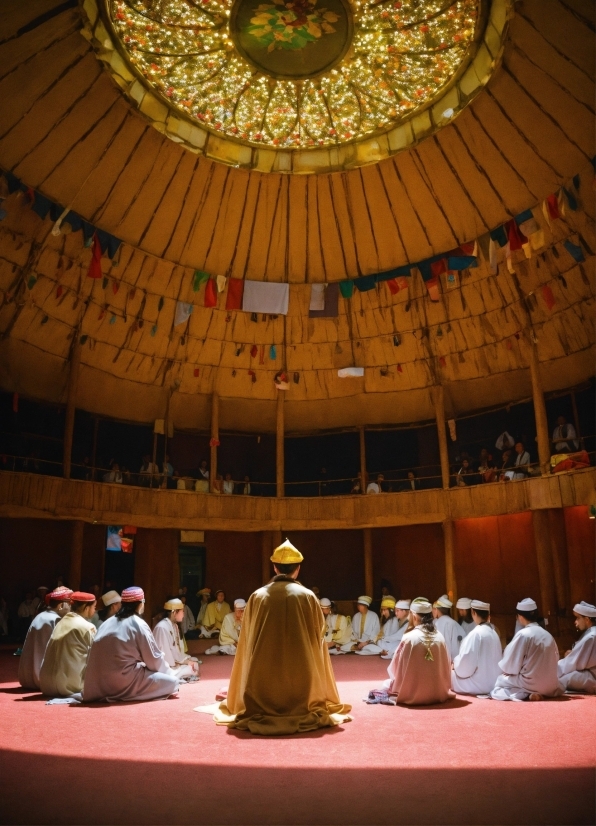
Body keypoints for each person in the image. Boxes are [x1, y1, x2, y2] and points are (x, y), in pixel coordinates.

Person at [209, 539, 351, 734]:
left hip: (263, 677)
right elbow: (319, 632)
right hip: (302, 679)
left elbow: (247, 637)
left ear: (274, 568)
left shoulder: (258, 596)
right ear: (298, 568)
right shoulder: (308, 596)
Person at [83, 586, 180, 702]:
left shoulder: (106, 623)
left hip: (99, 684)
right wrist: (170, 673)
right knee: (172, 683)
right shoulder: (138, 624)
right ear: (140, 604)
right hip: (124, 681)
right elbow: (154, 660)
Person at [371, 597, 454, 706]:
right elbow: (446, 665)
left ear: (414, 617)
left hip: (413, 692)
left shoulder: (409, 638)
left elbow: (395, 668)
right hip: (437, 691)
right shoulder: (440, 637)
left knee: (386, 684)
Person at [491, 598, 563, 701]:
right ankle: (535, 692)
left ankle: (528, 692)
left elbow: (510, 665)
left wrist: (507, 669)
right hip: (550, 685)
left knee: (500, 680)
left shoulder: (524, 634)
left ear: (520, 617)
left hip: (530, 682)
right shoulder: (548, 635)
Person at [39, 592, 97, 697]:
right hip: (69, 686)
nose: (95, 610)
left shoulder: (61, 622)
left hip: (46, 684)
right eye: (94, 607)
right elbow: (96, 657)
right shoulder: (88, 627)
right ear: (86, 607)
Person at [18, 587, 73, 690]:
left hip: (28, 678)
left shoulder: (43, 616)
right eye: (70, 604)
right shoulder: (54, 619)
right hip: (43, 679)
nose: (71, 608)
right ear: (61, 605)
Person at [451, 600, 502, 696]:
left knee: (449, 675)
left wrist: (455, 663)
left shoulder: (476, 634)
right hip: (495, 682)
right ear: (488, 615)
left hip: (479, 684)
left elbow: (464, 668)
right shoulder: (494, 632)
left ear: (473, 613)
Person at [153, 598, 200, 681]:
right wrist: (180, 664)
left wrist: (184, 661)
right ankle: (173, 678)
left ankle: (179, 676)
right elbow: (165, 655)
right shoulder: (162, 627)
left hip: (174, 663)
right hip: (165, 667)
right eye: (182, 612)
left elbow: (175, 650)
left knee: (194, 665)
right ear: (174, 613)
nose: (183, 615)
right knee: (191, 669)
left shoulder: (174, 626)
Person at [557, 601, 596, 694]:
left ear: (587, 620)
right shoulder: (591, 633)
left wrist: (552, 669)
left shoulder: (591, 636)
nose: (575, 622)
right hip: (590, 673)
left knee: (562, 679)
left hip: (592, 676)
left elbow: (573, 663)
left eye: (578, 618)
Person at [433, 595, 463, 662]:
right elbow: (458, 645)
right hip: (453, 663)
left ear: (437, 610)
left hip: (439, 662)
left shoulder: (435, 624)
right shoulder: (454, 623)